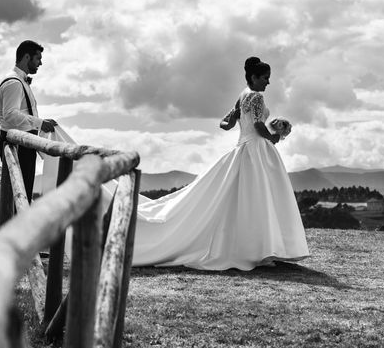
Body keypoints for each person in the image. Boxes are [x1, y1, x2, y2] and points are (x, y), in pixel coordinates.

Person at [130, 56, 309, 270]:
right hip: (256, 149)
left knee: (250, 196)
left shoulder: (242, 96)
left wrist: (243, 123)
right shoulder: (257, 97)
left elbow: (226, 124)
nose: (267, 82)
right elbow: (259, 126)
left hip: (242, 146)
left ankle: (259, 248)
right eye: (265, 78)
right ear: (254, 77)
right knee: (262, 195)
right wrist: (273, 137)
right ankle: (263, 248)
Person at [0, 40, 57, 203]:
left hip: (23, 144)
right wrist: (39, 123)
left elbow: (20, 113)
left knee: (24, 190)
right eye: (38, 58)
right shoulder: (13, 83)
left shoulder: (20, 81)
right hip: (17, 145)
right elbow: (9, 114)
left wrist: (41, 122)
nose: (41, 63)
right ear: (26, 57)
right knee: (19, 193)